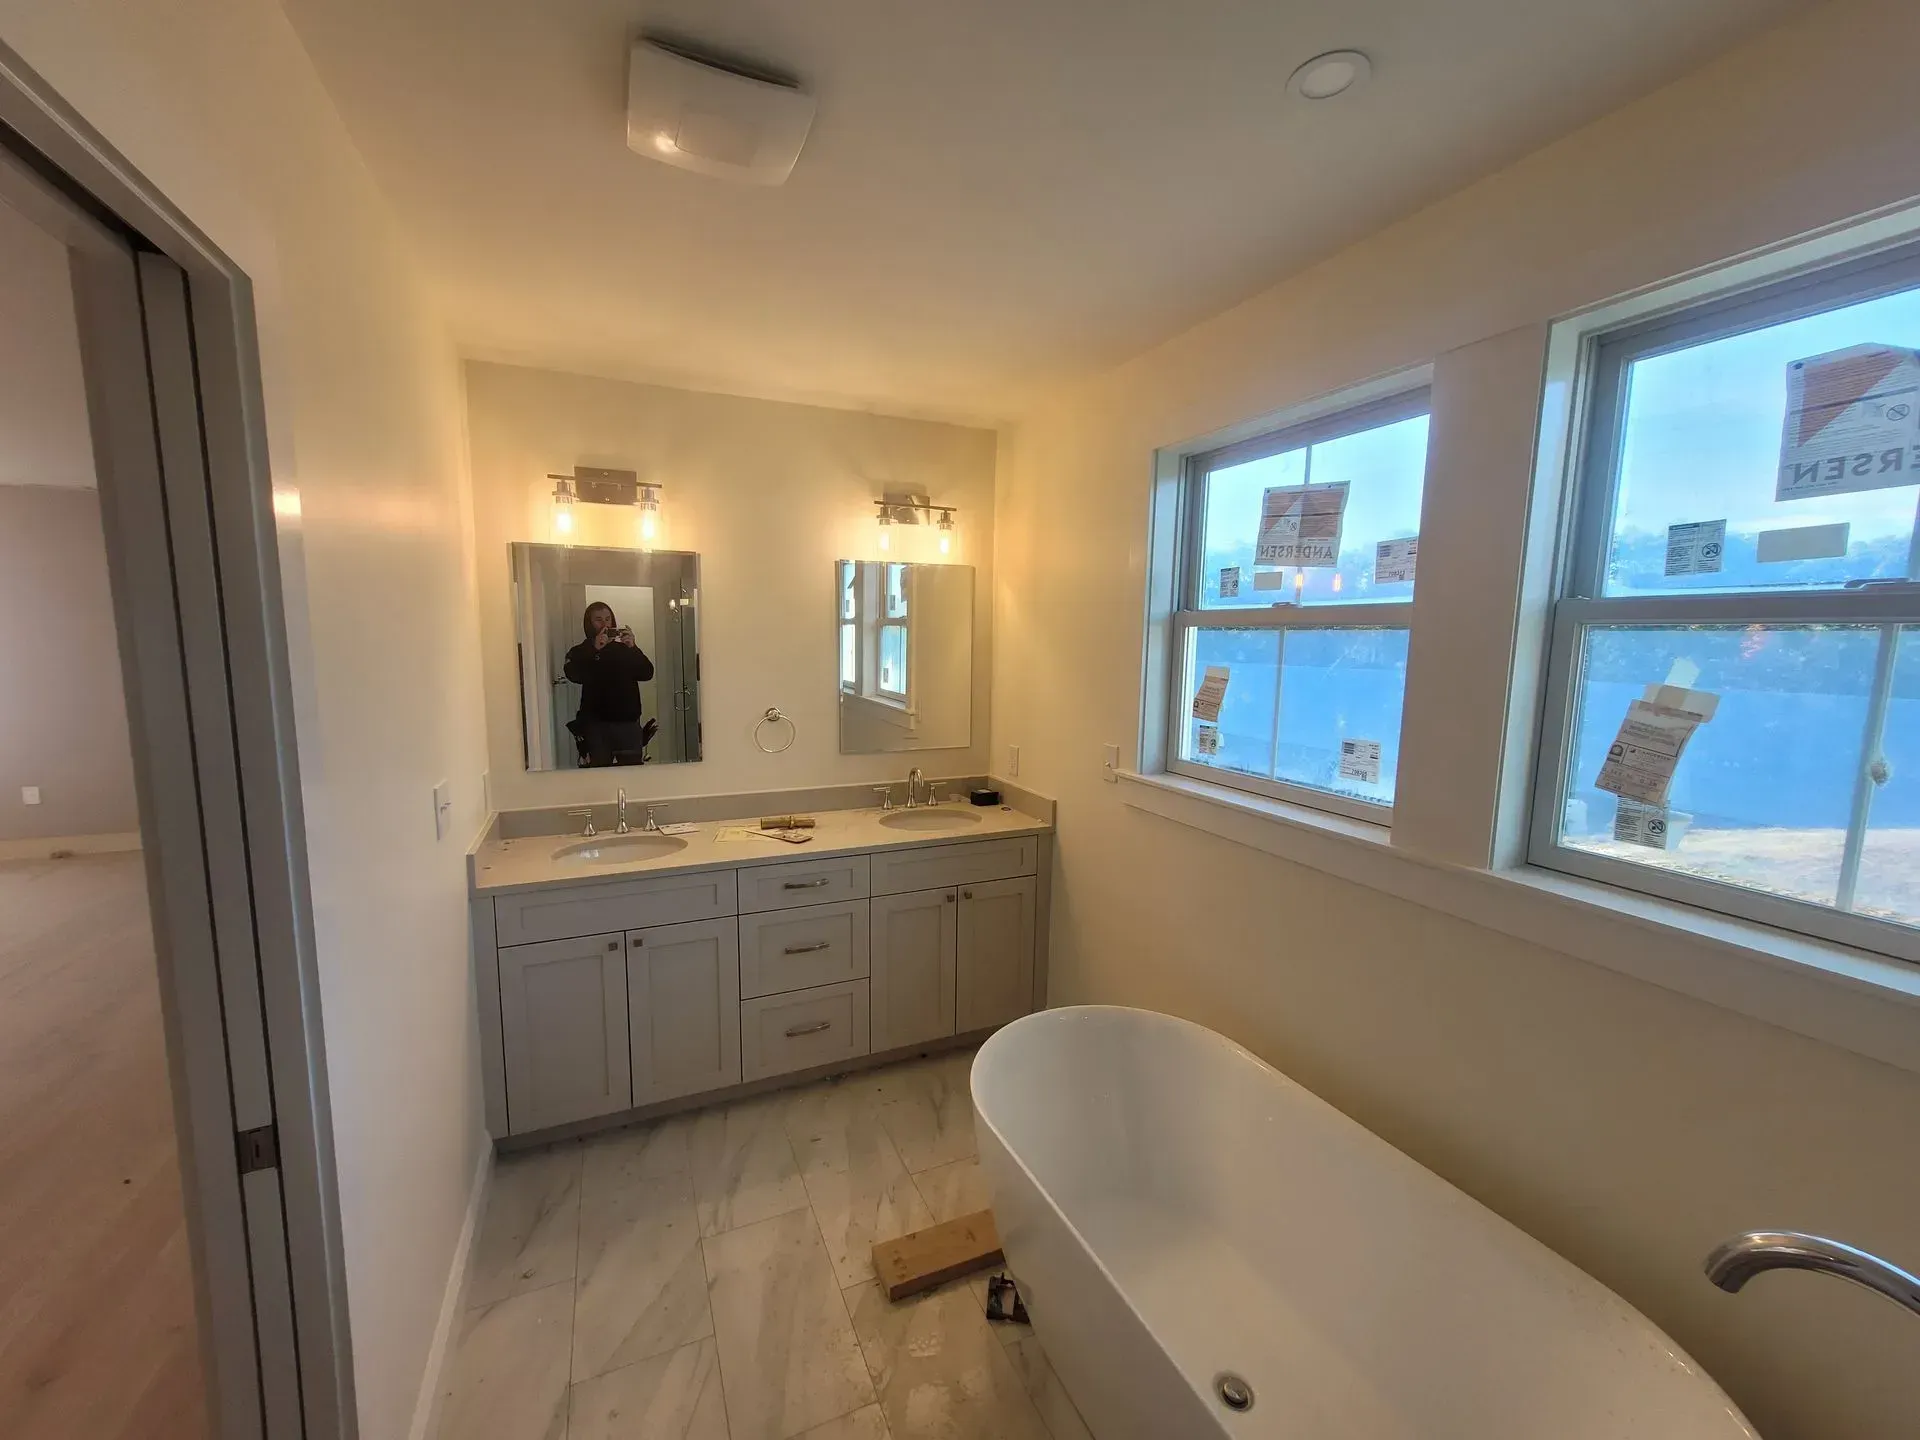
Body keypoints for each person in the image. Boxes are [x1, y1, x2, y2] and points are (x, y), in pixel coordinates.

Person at [563, 602, 655, 766]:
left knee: (632, 773)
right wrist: (596, 651)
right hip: (596, 724)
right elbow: (574, 675)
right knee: (599, 773)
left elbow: (647, 673)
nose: (605, 624)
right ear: (589, 623)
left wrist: (633, 648)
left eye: (608, 619)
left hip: (627, 722)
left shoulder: (625, 649)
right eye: (598, 620)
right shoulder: (580, 651)